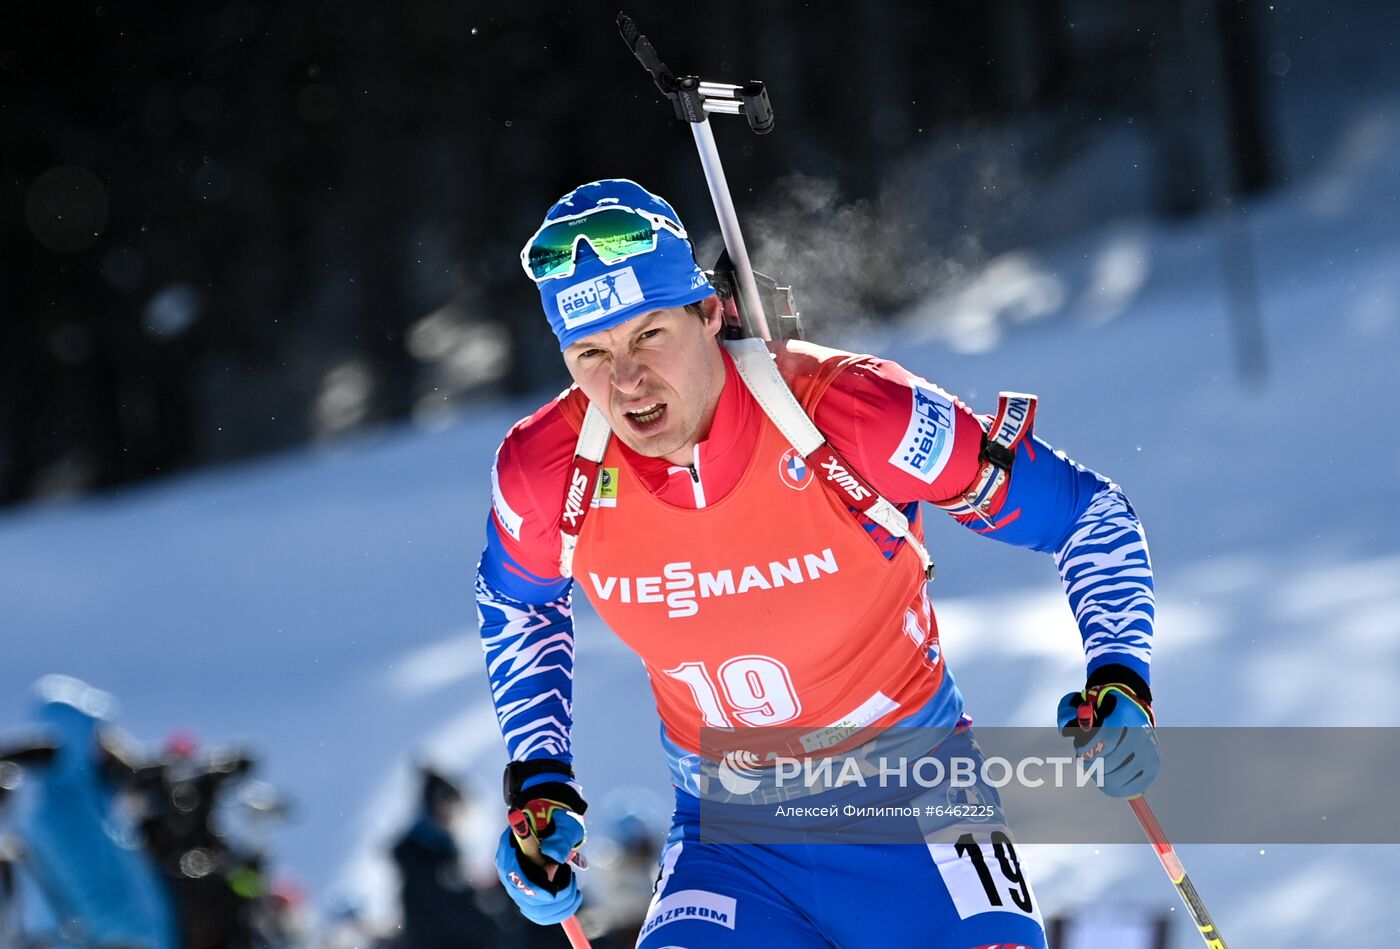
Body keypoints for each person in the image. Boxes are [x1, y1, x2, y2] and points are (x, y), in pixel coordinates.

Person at [476, 179, 1160, 947]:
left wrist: (1119, 675)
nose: (626, 382)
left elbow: (1086, 515)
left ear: (709, 312)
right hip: (729, 841)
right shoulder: (546, 471)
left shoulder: (853, 413)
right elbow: (518, 604)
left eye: (647, 336)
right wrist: (541, 780)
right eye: (590, 353)